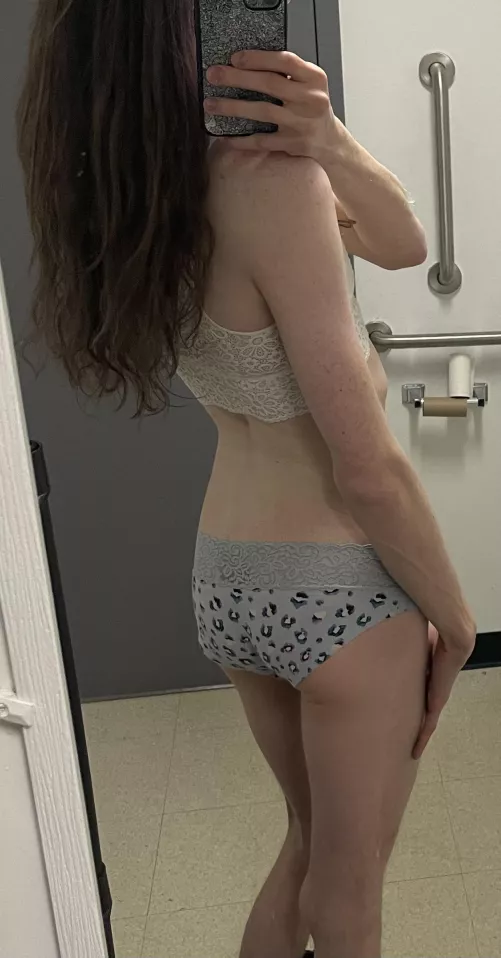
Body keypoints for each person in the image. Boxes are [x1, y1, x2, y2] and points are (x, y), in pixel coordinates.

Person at [17, 3, 476, 957]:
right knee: (348, 891)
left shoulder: (136, 188)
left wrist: (331, 140)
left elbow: (401, 243)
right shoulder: (269, 183)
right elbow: (367, 470)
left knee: (305, 846)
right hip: (340, 586)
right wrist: (456, 617)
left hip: (227, 574)